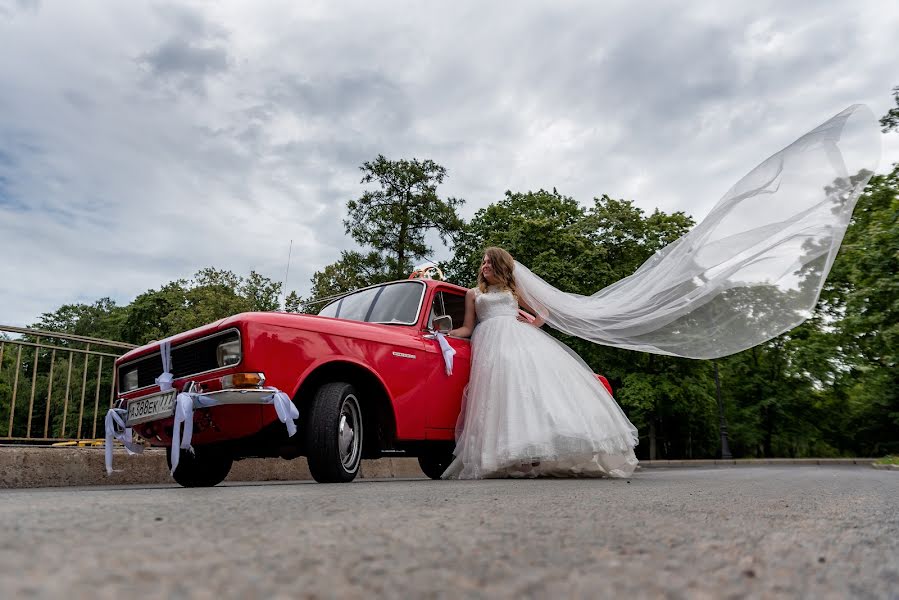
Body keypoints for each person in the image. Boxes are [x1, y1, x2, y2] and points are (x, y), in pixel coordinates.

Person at [443, 246, 639, 479]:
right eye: (483, 262)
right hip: (488, 346)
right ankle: (506, 456)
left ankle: (532, 453)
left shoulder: (513, 291)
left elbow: (543, 311)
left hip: (515, 341)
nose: (484, 266)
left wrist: (530, 325)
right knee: (496, 397)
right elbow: (467, 327)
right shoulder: (473, 293)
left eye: (489, 262)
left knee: (523, 393)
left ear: (500, 265)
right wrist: (445, 333)